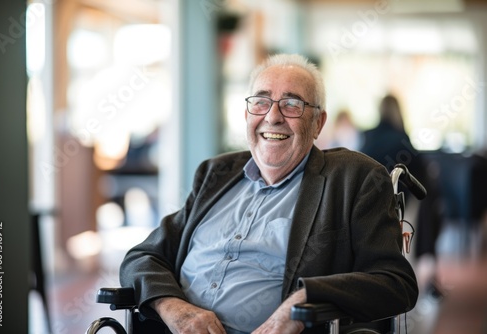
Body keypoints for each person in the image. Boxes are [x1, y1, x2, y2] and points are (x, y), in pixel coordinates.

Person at [120, 54, 418, 334]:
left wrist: (304, 299)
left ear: (318, 123)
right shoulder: (215, 174)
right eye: (261, 102)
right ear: (248, 114)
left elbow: (395, 283)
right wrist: (174, 308)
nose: (273, 116)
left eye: (291, 104)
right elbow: (143, 256)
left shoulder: (354, 179)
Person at [360, 94, 443, 290]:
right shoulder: (402, 138)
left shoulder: (367, 137)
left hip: (368, 201)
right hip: (399, 202)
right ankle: (416, 271)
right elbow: (421, 176)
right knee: (424, 202)